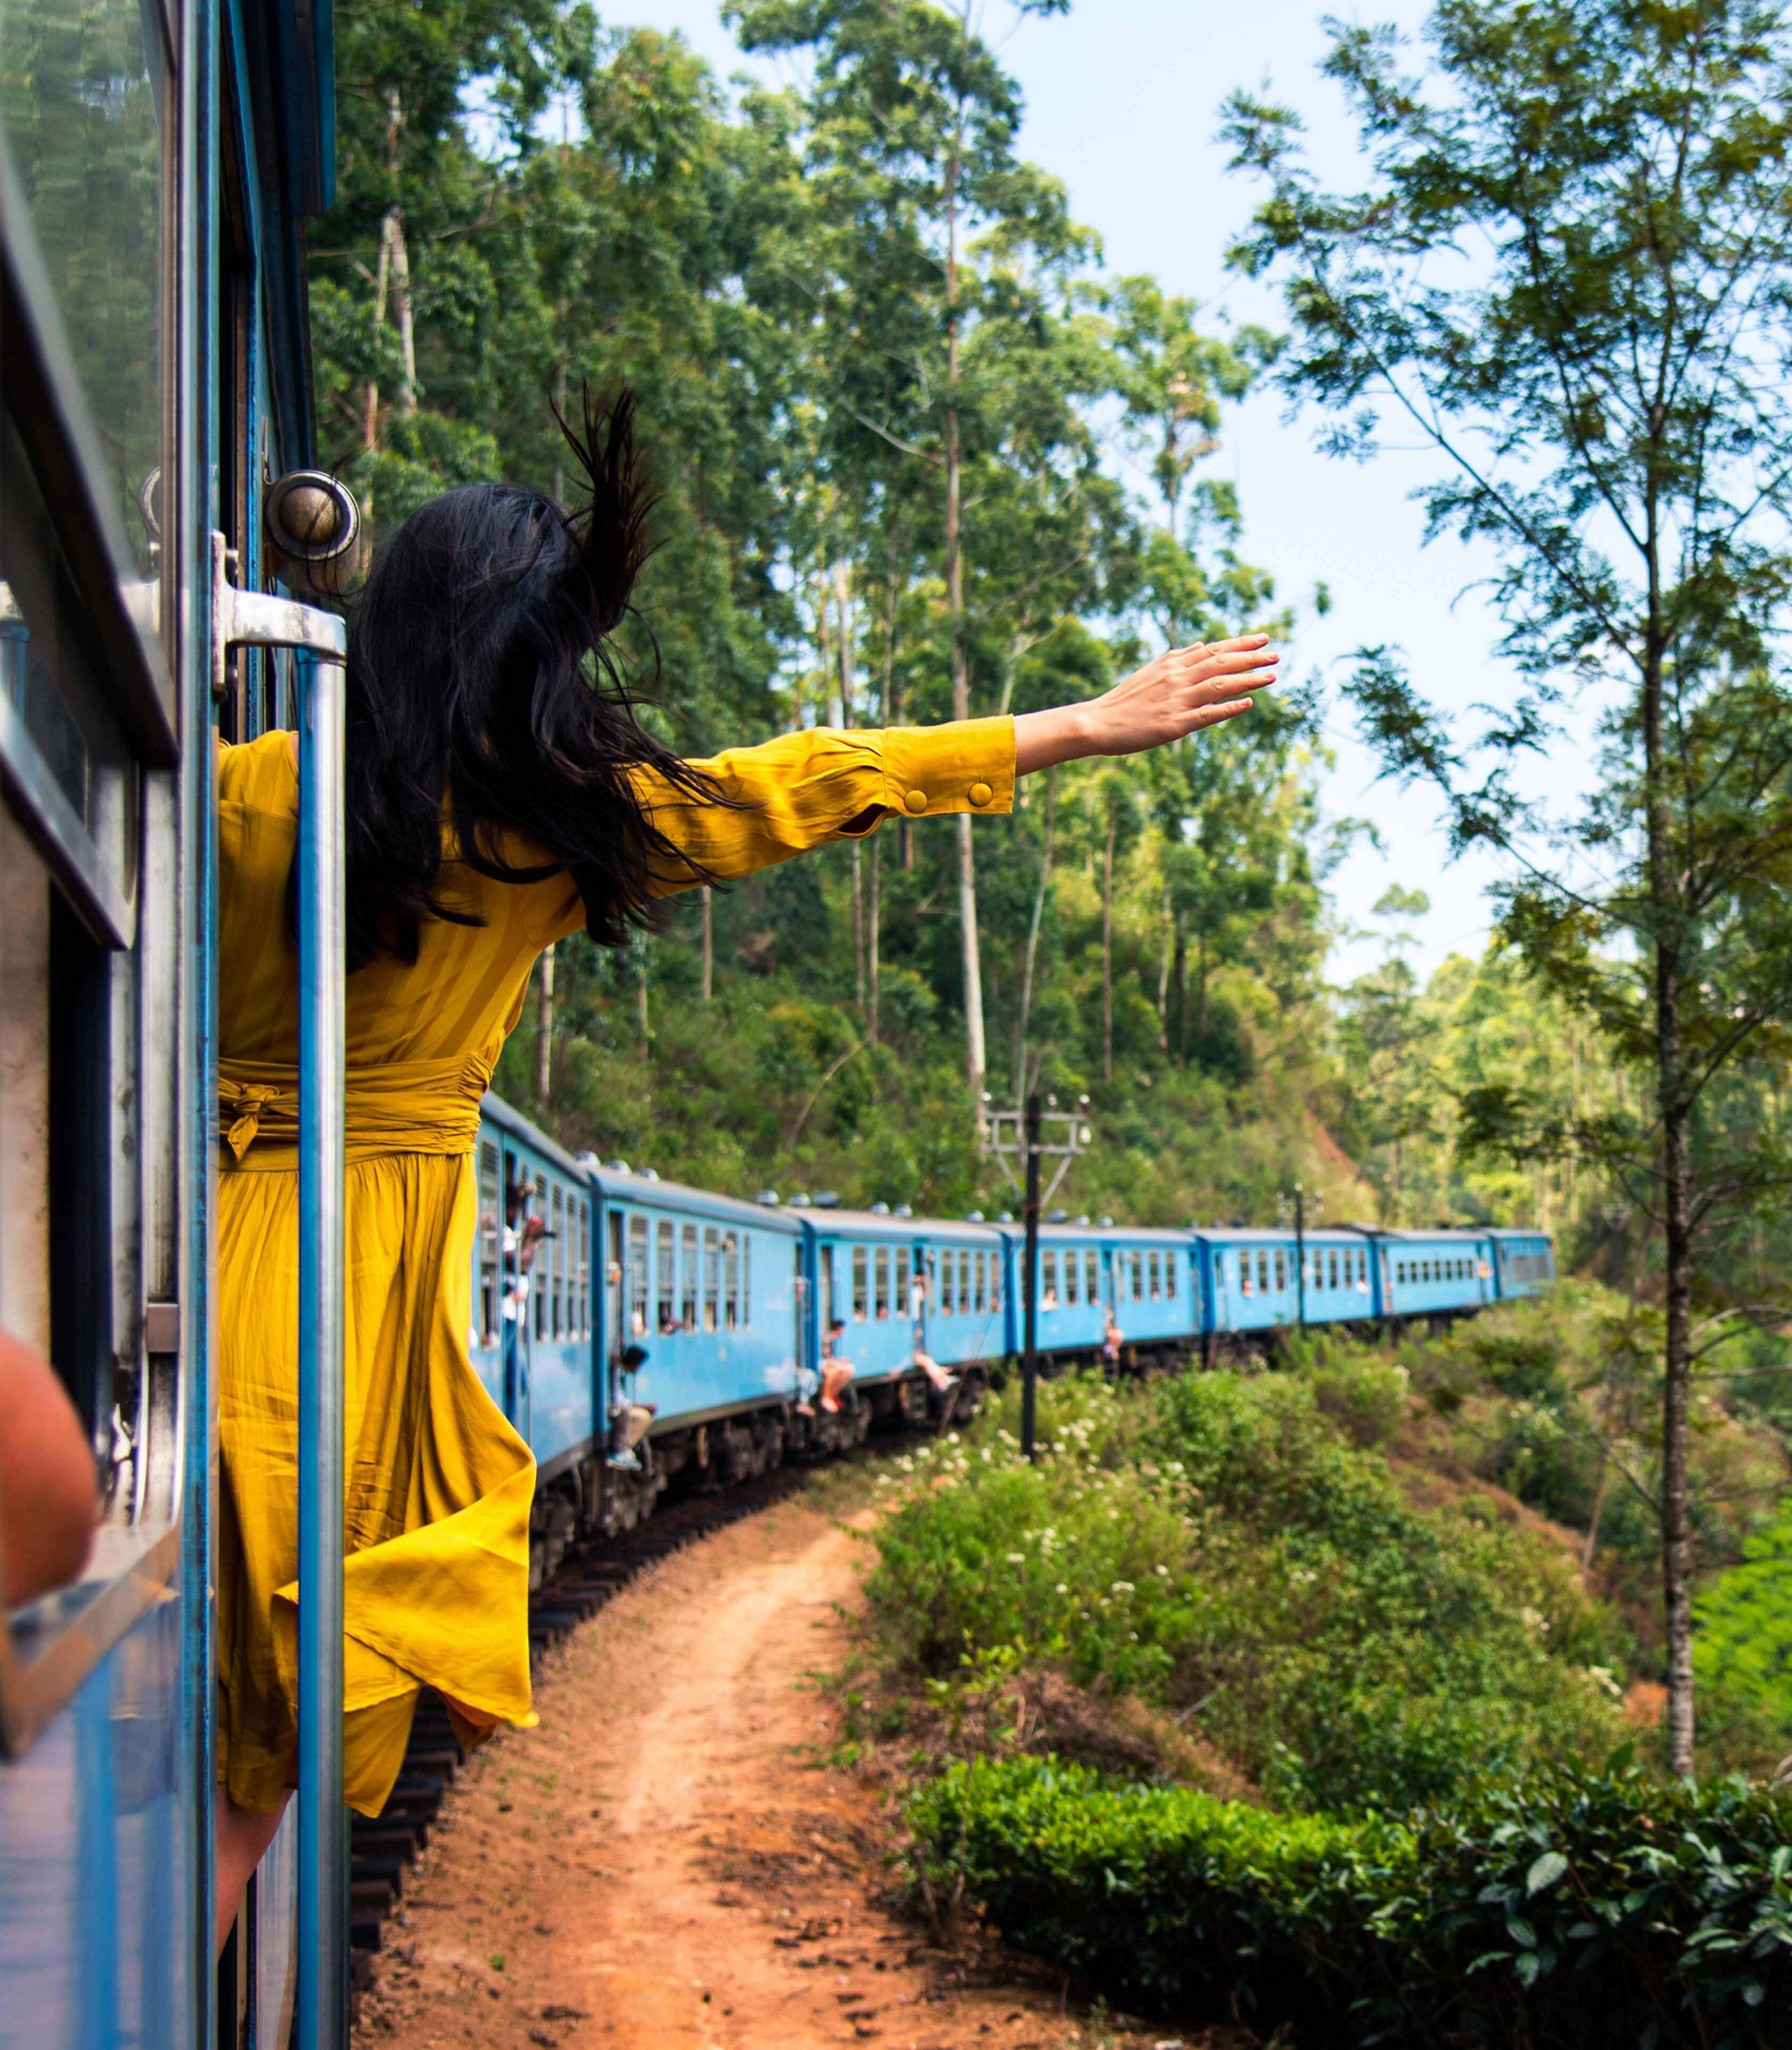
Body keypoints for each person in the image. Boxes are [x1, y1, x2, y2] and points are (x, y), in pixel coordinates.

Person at [205, 393, 1274, 1933]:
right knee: (282, 1690)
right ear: (526, 651)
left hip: (177, 1220)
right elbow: (808, 779)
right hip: (347, 1279)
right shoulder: (543, 840)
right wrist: (1076, 726)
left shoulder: (245, 795)